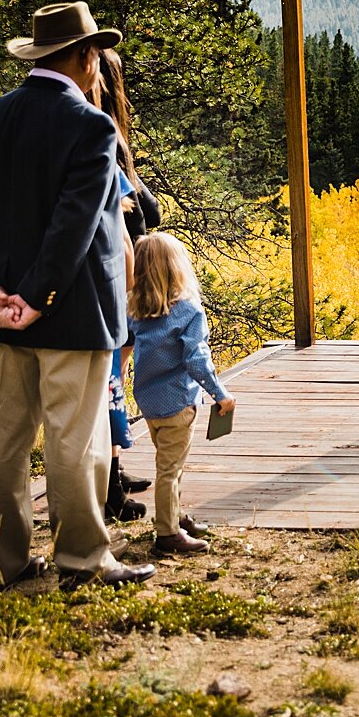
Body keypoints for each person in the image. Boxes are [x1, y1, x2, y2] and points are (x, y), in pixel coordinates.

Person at [0, 1, 156, 590]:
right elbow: (74, 224)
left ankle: (1, 563)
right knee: (74, 437)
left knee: (4, 444)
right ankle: (82, 559)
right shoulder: (91, 126)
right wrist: (38, 296)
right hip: (74, 312)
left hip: (0, 317)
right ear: (86, 58)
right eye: (96, 59)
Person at [129, 231, 235, 556]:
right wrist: (220, 394)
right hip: (177, 403)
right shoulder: (188, 311)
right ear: (177, 269)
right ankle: (167, 534)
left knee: (170, 463)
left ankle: (175, 514)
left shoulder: (137, 311)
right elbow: (197, 360)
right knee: (169, 469)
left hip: (148, 403)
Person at [91, 48, 157, 522]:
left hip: (123, 270)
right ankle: (110, 479)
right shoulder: (101, 132)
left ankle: (115, 464)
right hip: (119, 273)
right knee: (110, 379)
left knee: (115, 375)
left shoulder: (110, 137)